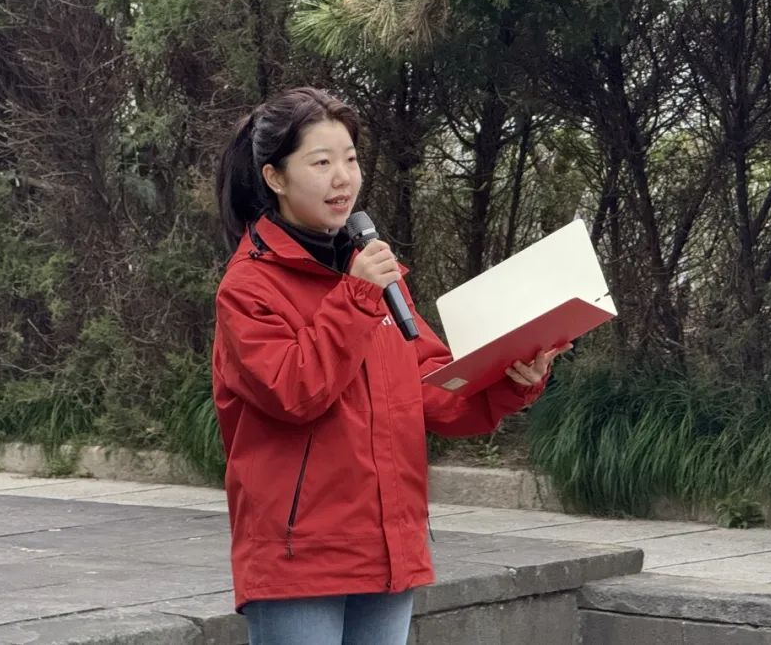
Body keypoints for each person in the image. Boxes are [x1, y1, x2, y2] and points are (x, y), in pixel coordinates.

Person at [211, 87, 568, 645]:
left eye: (351, 159)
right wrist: (355, 299)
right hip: (299, 556)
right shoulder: (249, 287)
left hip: (387, 547)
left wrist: (509, 378)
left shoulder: (373, 274)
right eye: (321, 163)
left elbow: (432, 390)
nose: (343, 178)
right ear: (275, 177)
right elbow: (294, 392)